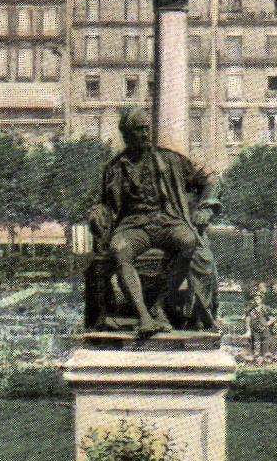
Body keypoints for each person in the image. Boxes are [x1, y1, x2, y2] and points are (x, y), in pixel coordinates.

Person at [88, 108, 219, 335]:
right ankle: (144, 317)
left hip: (168, 221)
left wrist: (205, 208)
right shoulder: (115, 168)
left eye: (147, 128)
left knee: (189, 242)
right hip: (134, 226)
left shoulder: (170, 159)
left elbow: (209, 178)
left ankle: (159, 305)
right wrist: (98, 212)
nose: (146, 134)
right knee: (119, 249)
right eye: (139, 130)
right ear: (126, 135)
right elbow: (106, 203)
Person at [242, 288, 273, 357]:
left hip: (264, 329)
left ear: (261, 299)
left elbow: (271, 319)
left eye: (258, 299)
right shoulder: (250, 309)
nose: (256, 301)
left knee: (265, 344)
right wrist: (248, 330)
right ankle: (256, 357)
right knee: (256, 344)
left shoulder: (264, 308)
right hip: (255, 329)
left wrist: (267, 324)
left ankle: (266, 357)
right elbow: (247, 319)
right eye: (255, 299)